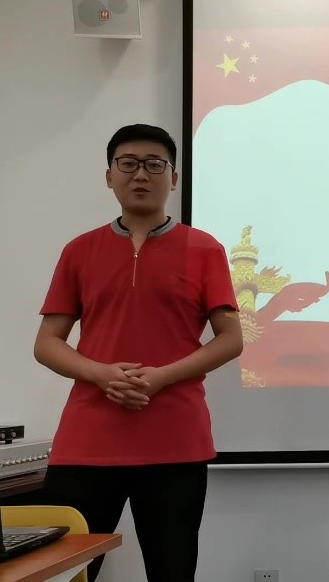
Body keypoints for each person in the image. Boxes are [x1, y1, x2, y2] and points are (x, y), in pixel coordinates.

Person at [33, 123, 243, 581]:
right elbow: (47, 343)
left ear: (174, 178)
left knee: (173, 571)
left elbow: (231, 338)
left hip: (175, 439)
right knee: (63, 574)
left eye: (154, 164)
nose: (141, 174)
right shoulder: (79, 250)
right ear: (109, 176)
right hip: (88, 440)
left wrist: (163, 376)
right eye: (128, 164)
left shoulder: (204, 249)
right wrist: (101, 374)